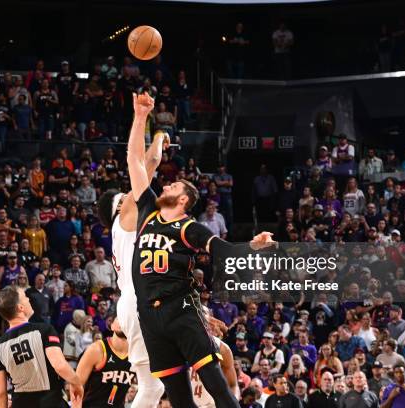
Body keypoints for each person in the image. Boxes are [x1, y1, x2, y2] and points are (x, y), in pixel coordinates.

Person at [126, 92, 274, 408]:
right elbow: (135, 161)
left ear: (183, 200)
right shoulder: (148, 210)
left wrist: (252, 247)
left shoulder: (189, 227)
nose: (165, 185)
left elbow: (221, 250)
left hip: (181, 309)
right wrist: (140, 118)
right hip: (148, 315)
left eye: (173, 186)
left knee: (216, 386)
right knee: (179, 400)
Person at [96, 127, 168, 407]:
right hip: (139, 301)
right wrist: (160, 135)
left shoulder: (126, 227)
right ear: (120, 205)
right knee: (152, 388)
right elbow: (148, 163)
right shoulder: (126, 215)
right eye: (125, 196)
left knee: (156, 386)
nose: (131, 194)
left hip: (140, 301)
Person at [0, 285, 83, 407]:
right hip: (50, 403)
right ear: (21, 308)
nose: (28, 299)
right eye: (25, 297)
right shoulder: (44, 330)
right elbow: (59, 365)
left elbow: (0, 392)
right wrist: (77, 383)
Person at [74, 316, 136, 408]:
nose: (123, 322)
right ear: (112, 325)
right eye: (119, 318)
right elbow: (76, 385)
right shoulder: (96, 349)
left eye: (126, 318)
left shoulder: (137, 354)